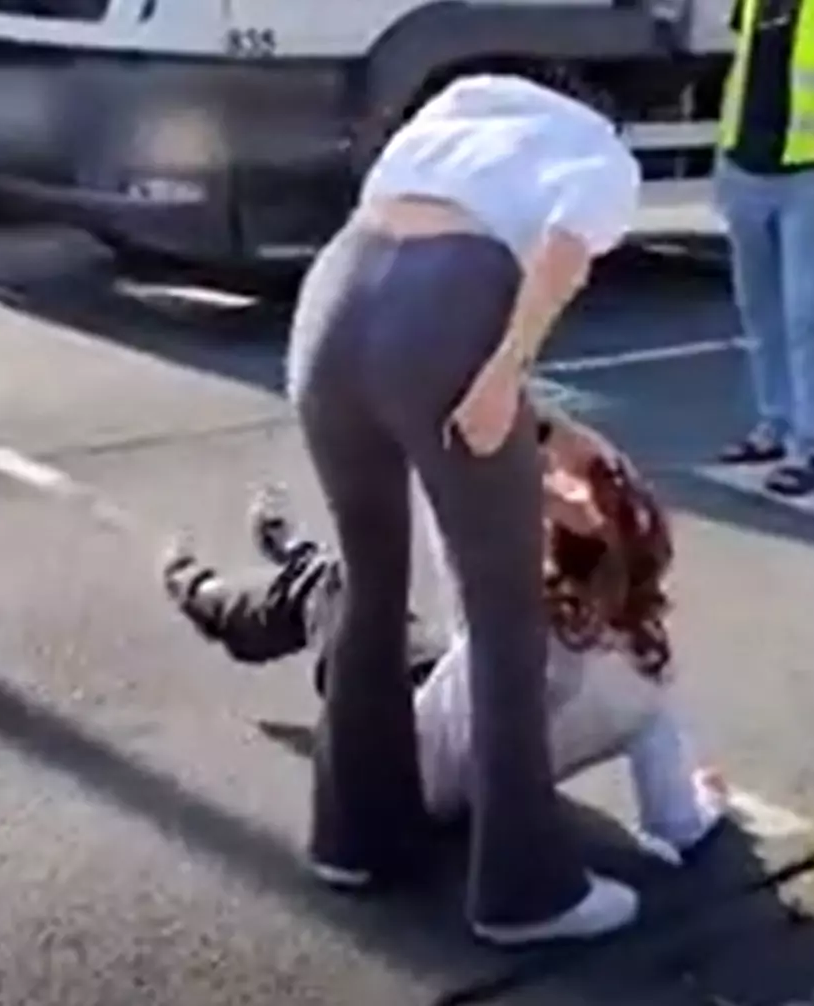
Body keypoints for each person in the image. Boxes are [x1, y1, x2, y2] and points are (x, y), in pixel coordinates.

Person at [283, 71, 642, 944]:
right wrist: (504, 372)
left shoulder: (461, 103)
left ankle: (354, 837)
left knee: (370, 579)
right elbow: (560, 253)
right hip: (442, 311)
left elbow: (388, 216)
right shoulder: (601, 152)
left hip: (332, 296)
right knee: (504, 606)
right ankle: (526, 890)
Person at [159, 465, 727, 867]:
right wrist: (709, 801)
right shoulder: (652, 673)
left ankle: (201, 590)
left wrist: (499, 472)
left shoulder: (512, 616)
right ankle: (294, 554)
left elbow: (448, 512)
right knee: (388, 617)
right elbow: (674, 825)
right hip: (451, 718)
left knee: (339, 589)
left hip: (403, 756)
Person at [713, 0, 814, 496]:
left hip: (805, 176)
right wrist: (725, 157)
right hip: (745, 168)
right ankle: (773, 425)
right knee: (759, 309)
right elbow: (745, 66)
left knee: (808, 314)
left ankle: (808, 445)